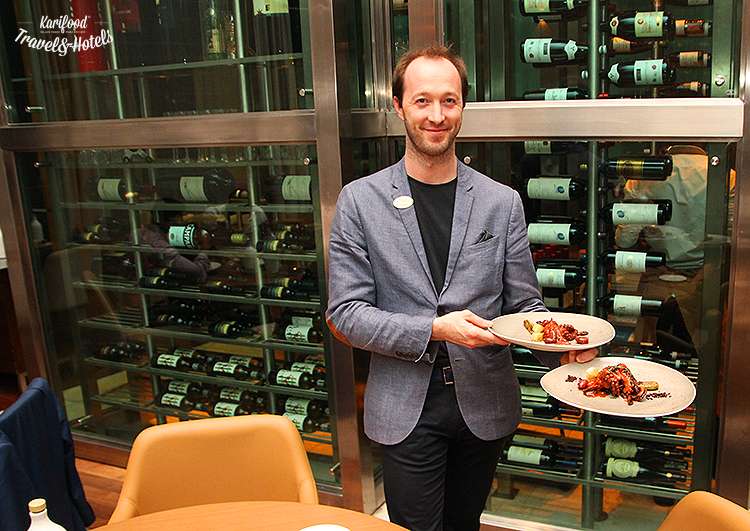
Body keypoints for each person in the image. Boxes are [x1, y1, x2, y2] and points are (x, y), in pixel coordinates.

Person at [325, 45, 597, 531]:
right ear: (398, 106)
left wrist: (562, 349)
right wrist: (433, 329)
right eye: (422, 100)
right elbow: (346, 314)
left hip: (484, 401)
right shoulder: (360, 201)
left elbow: (525, 304)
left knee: (465, 523)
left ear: (463, 107)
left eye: (448, 101)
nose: (437, 115)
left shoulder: (501, 202)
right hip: (405, 406)